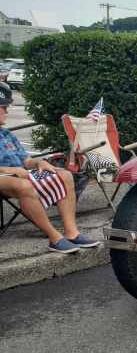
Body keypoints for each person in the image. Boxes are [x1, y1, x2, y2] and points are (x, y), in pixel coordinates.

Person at [0, 82, 99, 253]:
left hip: (21, 174)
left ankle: (71, 233)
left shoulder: (6, 134)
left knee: (64, 175)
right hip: (7, 177)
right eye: (4, 108)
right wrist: (6, 170)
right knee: (22, 185)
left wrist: (39, 163)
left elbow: (26, 161)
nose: (7, 111)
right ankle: (54, 238)